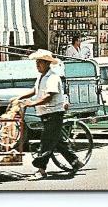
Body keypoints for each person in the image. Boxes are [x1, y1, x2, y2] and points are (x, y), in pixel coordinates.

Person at [15, 49, 82, 181]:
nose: (37, 65)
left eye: (39, 62)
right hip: (45, 113)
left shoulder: (53, 77)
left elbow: (48, 96)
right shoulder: (41, 76)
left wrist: (31, 103)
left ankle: (41, 170)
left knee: (46, 142)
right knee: (56, 141)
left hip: (54, 113)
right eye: (37, 62)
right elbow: (35, 90)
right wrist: (20, 97)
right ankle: (75, 162)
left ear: (46, 63)